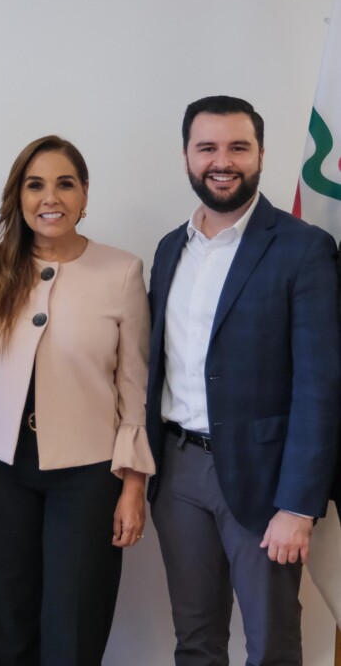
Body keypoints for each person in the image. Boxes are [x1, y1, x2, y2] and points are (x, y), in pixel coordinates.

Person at [147, 95, 341, 665]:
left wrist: (298, 507)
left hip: (265, 482)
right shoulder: (169, 248)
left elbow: (320, 387)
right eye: (207, 147)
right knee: (195, 642)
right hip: (178, 472)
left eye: (238, 147)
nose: (222, 161)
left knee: (272, 645)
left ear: (260, 155)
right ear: (187, 156)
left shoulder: (304, 248)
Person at [0, 135, 153, 665]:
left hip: (88, 475)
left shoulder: (122, 271)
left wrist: (134, 484)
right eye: (35, 185)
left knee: (74, 622)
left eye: (65, 184)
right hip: (0, 467)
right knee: (4, 621)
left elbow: (134, 386)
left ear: (84, 193)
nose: (51, 197)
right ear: (19, 196)